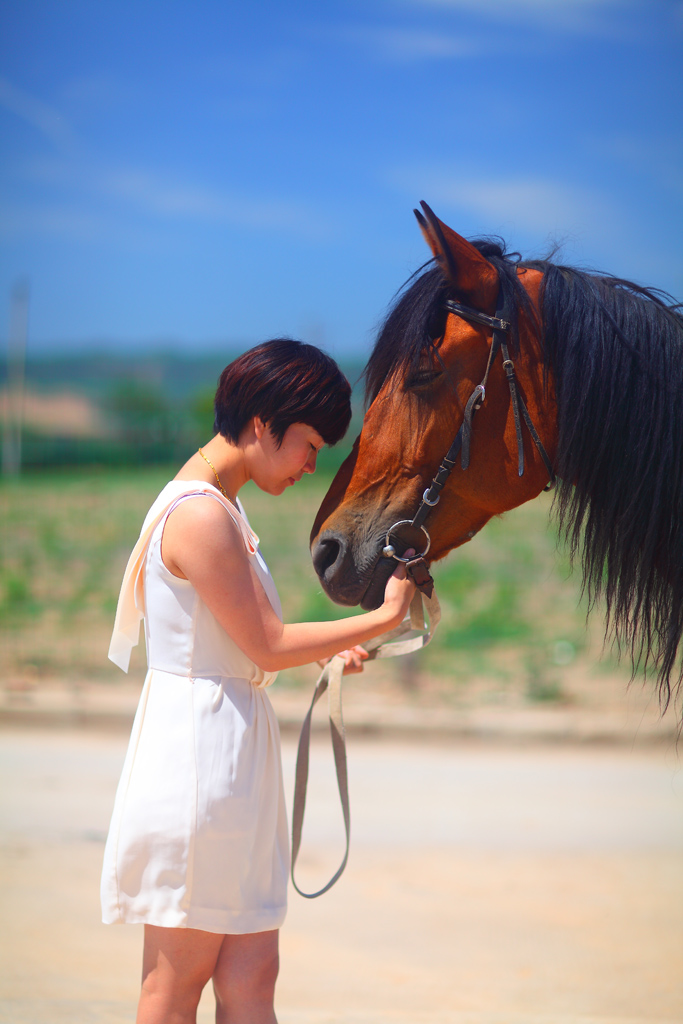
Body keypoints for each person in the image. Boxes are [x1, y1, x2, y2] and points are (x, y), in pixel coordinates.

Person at [101, 338, 415, 1024]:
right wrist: (382, 618)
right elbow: (266, 644)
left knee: (251, 977)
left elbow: (244, 640)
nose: (313, 462)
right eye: (308, 443)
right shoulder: (201, 514)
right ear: (261, 424)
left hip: (226, 759)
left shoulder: (220, 507)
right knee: (175, 984)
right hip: (198, 768)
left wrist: (323, 654)